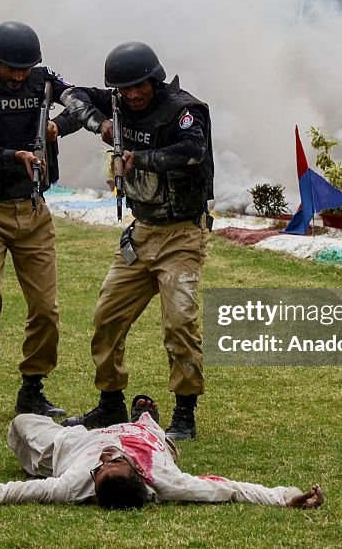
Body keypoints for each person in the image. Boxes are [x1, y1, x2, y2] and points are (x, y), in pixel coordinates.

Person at [55, 41, 214, 440]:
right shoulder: (116, 104)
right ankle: (110, 403)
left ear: (154, 79)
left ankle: (184, 414)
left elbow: (191, 151)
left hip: (181, 234)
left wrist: (139, 158)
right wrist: (101, 124)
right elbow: (71, 97)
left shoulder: (183, 110)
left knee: (180, 323)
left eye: (139, 86)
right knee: (107, 316)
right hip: (141, 234)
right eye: (124, 89)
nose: (133, 95)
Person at [0, 21, 89, 421]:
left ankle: (33, 388)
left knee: (45, 308)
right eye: (12, 69)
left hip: (33, 212)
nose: (19, 76)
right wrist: (17, 156)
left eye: (25, 69)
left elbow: (80, 103)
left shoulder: (43, 82)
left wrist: (57, 126)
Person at [0, 397, 323, 512]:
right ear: (140, 474)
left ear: (92, 483)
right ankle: (148, 419)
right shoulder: (166, 479)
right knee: (152, 433)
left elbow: (10, 490)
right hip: (145, 438)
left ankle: (142, 417)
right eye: (114, 462)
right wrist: (287, 497)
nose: (107, 459)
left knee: (22, 424)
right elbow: (232, 489)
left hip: (69, 444)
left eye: (103, 468)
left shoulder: (73, 483)